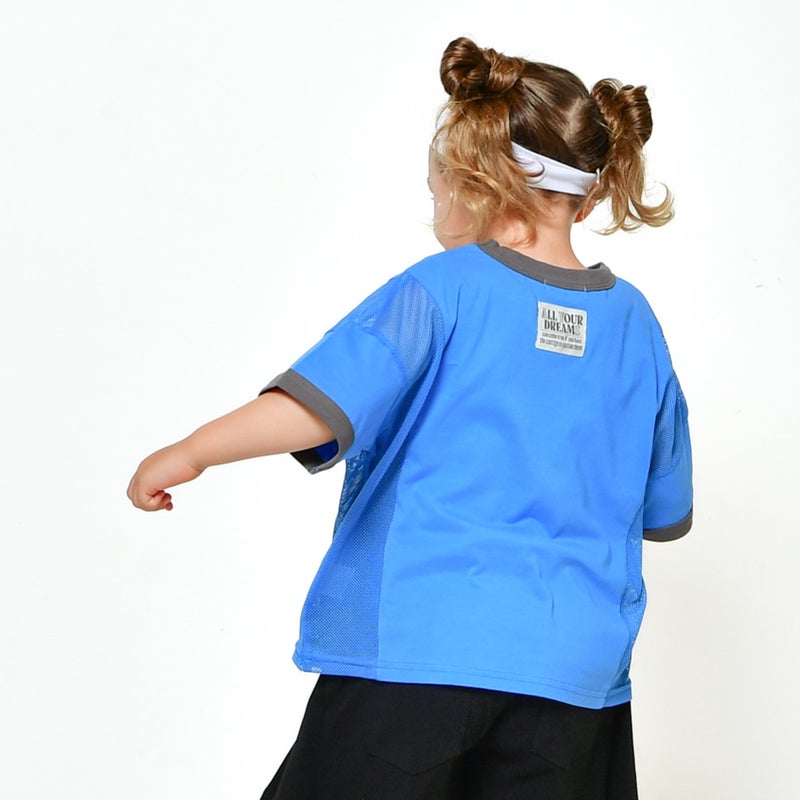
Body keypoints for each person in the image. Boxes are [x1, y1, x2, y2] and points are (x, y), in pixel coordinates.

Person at [128, 36, 693, 800]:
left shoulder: (443, 289)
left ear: (478, 180)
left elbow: (315, 405)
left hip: (418, 650)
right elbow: (665, 510)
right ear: (588, 193)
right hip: (575, 677)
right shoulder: (637, 325)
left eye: (436, 191)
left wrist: (193, 451)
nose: (436, 210)